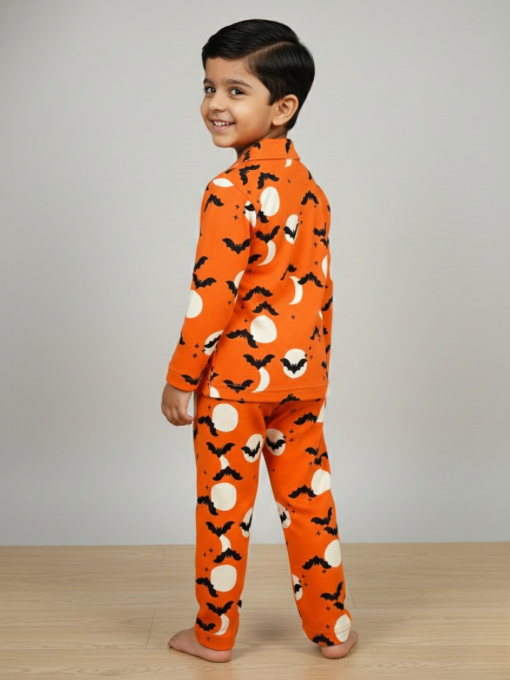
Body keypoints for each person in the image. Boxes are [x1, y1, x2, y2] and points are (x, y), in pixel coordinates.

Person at [161, 18, 358, 663]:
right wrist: (315, 371)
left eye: (235, 90)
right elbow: (319, 289)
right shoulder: (312, 191)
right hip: (302, 382)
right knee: (311, 507)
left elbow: (212, 296)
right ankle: (333, 631)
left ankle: (214, 636)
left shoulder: (229, 191)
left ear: (283, 107)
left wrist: (181, 376)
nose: (215, 104)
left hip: (233, 385)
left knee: (224, 512)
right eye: (209, 87)